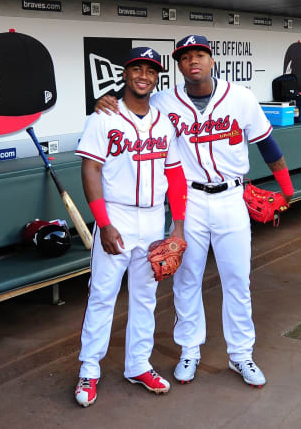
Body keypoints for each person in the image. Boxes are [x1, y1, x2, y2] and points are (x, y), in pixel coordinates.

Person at [95, 35, 294, 388]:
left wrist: (288, 189)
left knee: (237, 279)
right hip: (189, 202)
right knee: (187, 279)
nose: (193, 61)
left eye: (199, 54)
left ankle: (241, 355)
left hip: (232, 196)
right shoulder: (162, 101)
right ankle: (189, 349)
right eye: (185, 57)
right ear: (179, 65)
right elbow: (132, 101)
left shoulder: (241, 97)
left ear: (211, 60)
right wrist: (104, 99)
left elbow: (267, 143)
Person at [74, 47, 187, 407]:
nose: (144, 75)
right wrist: (103, 224)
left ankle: (138, 364)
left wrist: (178, 225)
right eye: (137, 68)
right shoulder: (103, 117)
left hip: (154, 217)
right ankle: (89, 370)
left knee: (146, 297)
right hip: (117, 215)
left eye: (151, 70)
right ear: (125, 74)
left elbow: (175, 173)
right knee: (103, 295)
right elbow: (90, 170)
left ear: (157, 78)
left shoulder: (164, 122)